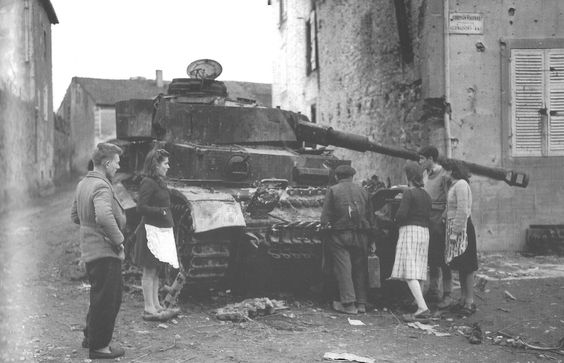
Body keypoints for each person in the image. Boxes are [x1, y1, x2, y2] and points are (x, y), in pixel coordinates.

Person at [71, 143, 126, 360]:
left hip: (90, 250)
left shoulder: (83, 184)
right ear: (107, 163)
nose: (118, 167)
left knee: (99, 295)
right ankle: (100, 347)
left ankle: (90, 336)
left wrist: (90, 230)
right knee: (108, 299)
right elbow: (103, 216)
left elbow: (75, 216)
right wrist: (119, 242)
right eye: (117, 162)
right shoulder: (102, 186)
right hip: (105, 251)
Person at [132, 148, 180, 321]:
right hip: (151, 232)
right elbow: (141, 207)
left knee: (156, 270)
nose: (168, 166)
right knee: (148, 270)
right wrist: (161, 212)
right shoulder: (147, 182)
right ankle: (148, 307)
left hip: (160, 232)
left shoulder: (159, 182)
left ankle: (156, 305)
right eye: (165, 163)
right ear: (156, 165)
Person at [321, 164, 373, 314]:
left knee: (344, 268)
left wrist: (325, 230)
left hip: (340, 235)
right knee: (360, 268)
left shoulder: (333, 190)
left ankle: (349, 304)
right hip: (361, 234)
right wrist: (372, 238)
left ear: (337, 177)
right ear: (352, 176)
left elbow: (325, 217)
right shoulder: (363, 191)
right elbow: (370, 216)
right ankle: (362, 303)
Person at [389, 162, 433, 321]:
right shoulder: (426, 195)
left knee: (409, 272)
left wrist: (394, 220)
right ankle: (418, 303)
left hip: (410, 231)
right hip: (424, 232)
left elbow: (401, 215)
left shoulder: (409, 193)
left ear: (409, 177)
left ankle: (422, 308)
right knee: (419, 270)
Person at [441, 159, 478, 316]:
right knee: (461, 266)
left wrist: (455, 232)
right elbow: (451, 206)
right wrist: (444, 217)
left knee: (467, 266)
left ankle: (470, 301)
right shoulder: (454, 185)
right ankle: (463, 299)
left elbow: (463, 210)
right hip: (454, 228)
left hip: (462, 229)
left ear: (451, 170)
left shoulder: (462, 184)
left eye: (445, 170)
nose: (444, 173)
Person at [418, 146, 453, 308]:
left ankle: (447, 294)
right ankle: (433, 290)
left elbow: (450, 200)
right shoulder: (425, 174)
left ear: (430, 158)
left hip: (439, 220)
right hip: (428, 219)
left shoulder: (444, 175)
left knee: (443, 258)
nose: (420, 162)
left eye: (422, 159)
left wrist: (443, 220)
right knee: (431, 256)